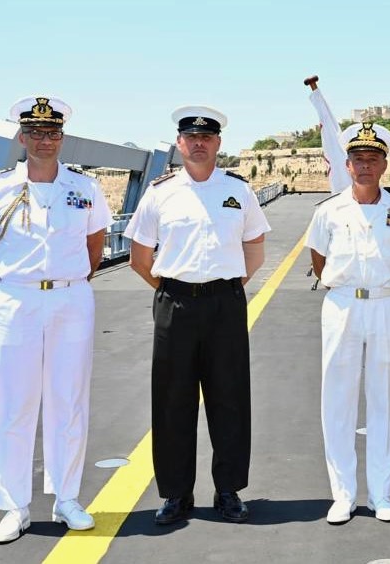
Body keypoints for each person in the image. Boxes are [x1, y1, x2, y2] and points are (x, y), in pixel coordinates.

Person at [0, 96, 111, 543]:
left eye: (52, 133)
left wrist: (66, 281)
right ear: (22, 137)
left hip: (71, 299)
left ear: (62, 137)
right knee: (14, 402)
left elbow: (95, 246)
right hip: (17, 301)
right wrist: (17, 286)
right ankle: (14, 506)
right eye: (36, 133)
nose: (44, 140)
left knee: (69, 400)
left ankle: (66, 498)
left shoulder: (84, 187)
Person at [124, 105, 270, 526]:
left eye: (207, 137)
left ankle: (228, 491)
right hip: (176, 304)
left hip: (225, 304)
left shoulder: (238, 190)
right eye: (191, 137)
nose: (199, 143)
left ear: (218, 144)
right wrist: (172, 292)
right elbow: (139, 256)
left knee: (230, 399)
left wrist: (226, 290)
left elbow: (254, 247)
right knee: (172, 402)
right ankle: (175, 494)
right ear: (179, 143)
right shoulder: (160, 192)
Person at [307, 122, 390, 525]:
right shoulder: (327, 211)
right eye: (358, 159)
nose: (365, 166)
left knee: (384, 398)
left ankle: (381, 493)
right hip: (341, 305)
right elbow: (319, 261)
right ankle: (343, 493)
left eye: (373, 159)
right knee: (337, 397)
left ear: (385, 164)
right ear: (347, 165)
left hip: (386, 305)